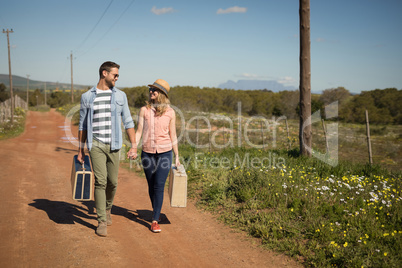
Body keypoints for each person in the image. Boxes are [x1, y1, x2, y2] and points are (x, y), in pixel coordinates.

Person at [77, 61, 137, 237]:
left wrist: (134, 146)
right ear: (104, 73)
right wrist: (81, 150)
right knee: (100, 181)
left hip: (115, 144)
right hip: (95, 144)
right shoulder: (87, 97)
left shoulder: (120, 96)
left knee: (113, 182)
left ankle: (108, 207)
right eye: (115, 75)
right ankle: (101, 220)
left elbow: (128, 121)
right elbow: (82, 125)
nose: (117, 78)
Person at [134, 78, 180, 233]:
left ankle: (154, 220)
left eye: (154, 90)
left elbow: (173, 135)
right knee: (151, 185)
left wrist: (177, 156)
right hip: (147, 153)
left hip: (165, 153)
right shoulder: (144, 110)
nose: (151, 92)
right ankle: (157, 212)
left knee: (159, 186)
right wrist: (134, 147)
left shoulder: (171, 113)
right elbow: (139, 131)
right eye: (150, 90)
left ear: (161, 94)